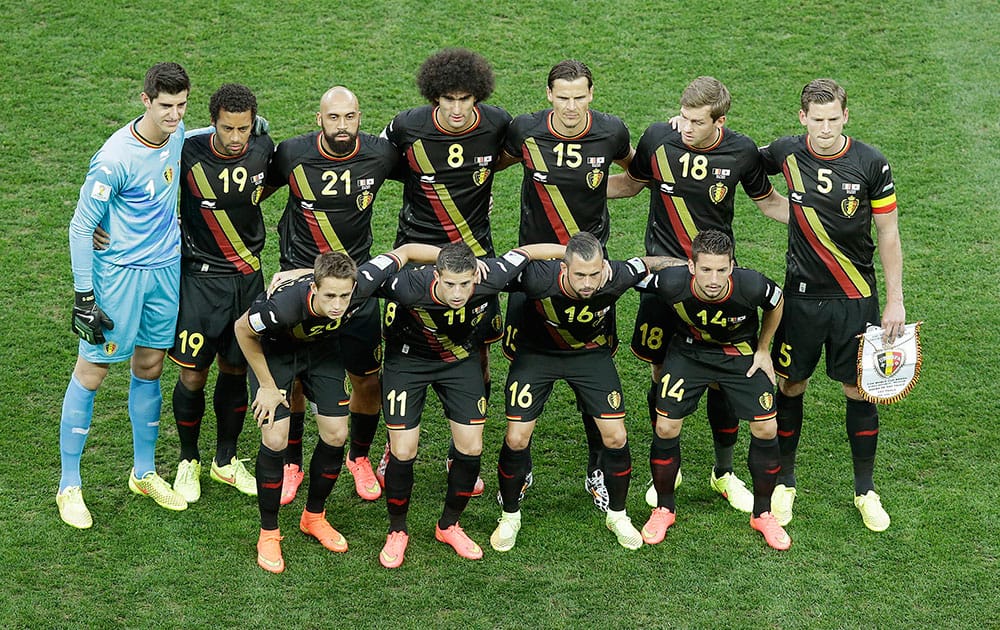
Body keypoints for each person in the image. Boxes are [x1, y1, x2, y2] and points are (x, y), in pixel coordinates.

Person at [607, 76, 788, 513]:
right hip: (662, 281)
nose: (685, 128)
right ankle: (667, 469)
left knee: (726, 377)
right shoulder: (658, 137)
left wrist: (822, 224)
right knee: (659, 368)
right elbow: (629, 185)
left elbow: (769, 203)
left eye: (696, 121)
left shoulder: (741, 151)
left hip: (714, 278)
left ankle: (723, 473)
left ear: (719, 121)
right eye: (683, 117)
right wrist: (571, 185)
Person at [235, 244, 438, 573]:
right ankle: (269, 533)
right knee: (275, 439)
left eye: (344, 297)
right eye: (329, 296)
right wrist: (269, 387)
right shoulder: (283, 307)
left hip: (321, 353)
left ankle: (314, 517)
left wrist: (461, 260)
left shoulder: (359, 285)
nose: (338, 305)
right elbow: (242, 330)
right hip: (277, 355)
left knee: (336, 433)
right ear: (314, 289)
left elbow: (407, 252)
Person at [759, 78, 905, 532]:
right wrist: (786, 211)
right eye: (816, 120)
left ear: (846, 116)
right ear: (802, 118)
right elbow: (739, 163)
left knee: (859, 391)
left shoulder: (871, 163)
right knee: (790, 385)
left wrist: (895, 300)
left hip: (855, 297)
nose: (824, 128)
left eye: (833, 119)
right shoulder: (784, 151)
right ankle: (785, 482)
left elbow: (888, 233)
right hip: (800, 299)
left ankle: (865, 490)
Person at [57, 62, 191, 529]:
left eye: (181, 105)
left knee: (151, 365)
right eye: (166, 106)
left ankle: (144, 472)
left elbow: (193, 139)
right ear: (145, 101)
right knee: (92, 370)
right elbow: (79, 227)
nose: (174, 115)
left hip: (164, 272)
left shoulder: (176, 135)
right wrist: (84, 296)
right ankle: (69, 485)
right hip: (119, 278)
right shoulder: (114, 158)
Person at [377, 241, 565, 569]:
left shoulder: (490, 277)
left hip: (458, 361)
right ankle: (397, 530)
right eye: (449, 283)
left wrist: (572, 253)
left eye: (465, 283)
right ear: (436, 275)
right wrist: (297, 276)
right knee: (403, 450)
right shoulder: (407, 286)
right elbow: (352, 279)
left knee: (471, 448)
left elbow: (526, 253)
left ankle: (449, 525)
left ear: (476, 275)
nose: (458, 292)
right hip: (407, 364)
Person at [491, 232, 681, 552]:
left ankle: (618, 516)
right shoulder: (538, 278)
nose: (588, 283)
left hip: (589, 356)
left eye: (595, 273)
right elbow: (501, 268)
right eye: (580, 274)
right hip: (537, 356)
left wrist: (688, 265)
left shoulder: (615, 276)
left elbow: (649, 263)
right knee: (516, 438)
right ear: (563, 269)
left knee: (616, 438)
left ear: (604, 267)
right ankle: (510, 517)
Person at [500, 59, 633, 511]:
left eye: (580, 96)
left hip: (590, 273)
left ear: (592, 94)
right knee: (527, 361)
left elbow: (635, 178)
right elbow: (490, 161)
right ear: (549, 95)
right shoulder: (525, 132)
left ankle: (598, 467)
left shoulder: (612, 131)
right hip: (534, 274)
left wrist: (590, 187)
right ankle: (522, 466)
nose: (572, 105)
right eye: (563, 96)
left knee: (590, 370)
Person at [379, 48, 514, 495]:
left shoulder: (496, 123)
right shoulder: (407, 125)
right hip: (417, 255)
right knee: (403, 342)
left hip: (475, 256)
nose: (457, 109)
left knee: (477, 348)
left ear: (479, 96)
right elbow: (377, 159)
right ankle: (392, 439)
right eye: (448, 99)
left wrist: (484, 184)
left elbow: (515, 152)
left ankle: (464, 443)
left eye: (466, 99)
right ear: (433, 96)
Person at [266, 86, 398, 504]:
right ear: (318, 119)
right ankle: (292, 462)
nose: (342, 126)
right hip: (302, 285)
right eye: (334, 118)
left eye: (350, 117)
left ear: (361, 117)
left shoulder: (381, 154)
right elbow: (253, 191)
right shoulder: (291, 154)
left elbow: (428, 181)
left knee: (366, 377)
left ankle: (358, 457)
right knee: (299, 379)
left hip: (355, 287)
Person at [636, 229, 790, 550]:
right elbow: (628, 274)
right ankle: (664, 508)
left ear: (732, 266)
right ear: (691, 267)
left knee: (766, 427)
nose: (714, 279)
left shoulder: (751, 285)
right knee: (665, 426)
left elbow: (776, 302)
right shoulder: (670, 283)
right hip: (689, 353)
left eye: (722, 269)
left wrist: (763, 349)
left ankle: (763, 514)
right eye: (706, 269)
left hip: (737, 353)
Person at [164, 83, 275, 503]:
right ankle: (188, 459)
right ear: (212, 123)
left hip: (247, 278)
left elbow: (272, 185)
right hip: (200, 280)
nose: (235, 138)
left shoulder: (264, 149)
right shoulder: (187, 149)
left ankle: (225, 460)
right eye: (227, 128)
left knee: (235, 368)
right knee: (192, 373)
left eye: (243, 129)